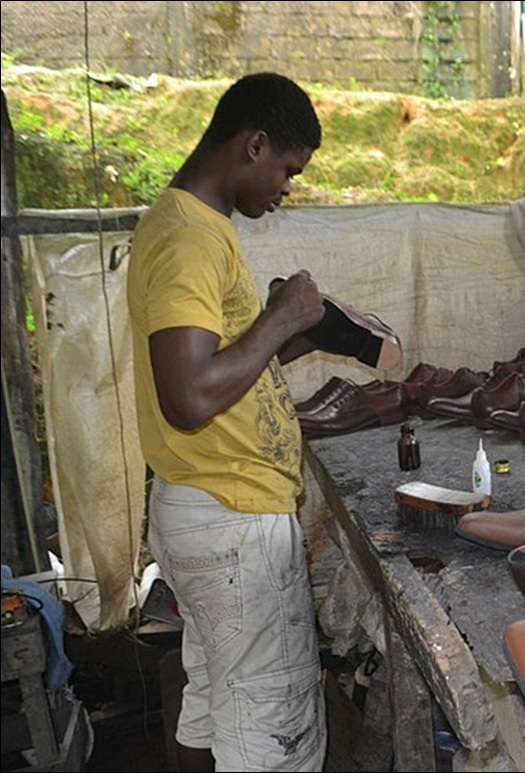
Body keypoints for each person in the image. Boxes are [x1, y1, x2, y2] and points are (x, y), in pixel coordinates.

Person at [127, 72, 327, 772]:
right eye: (287, 170)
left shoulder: (198, 227)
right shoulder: (188, 239)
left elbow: (218, 365)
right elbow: (186, 395)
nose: (286, 188)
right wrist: (279, 317)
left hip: (209, 508)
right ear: (255, 145)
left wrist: (291, 332)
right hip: (231, 517)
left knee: (214, 705)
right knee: (271, 730)